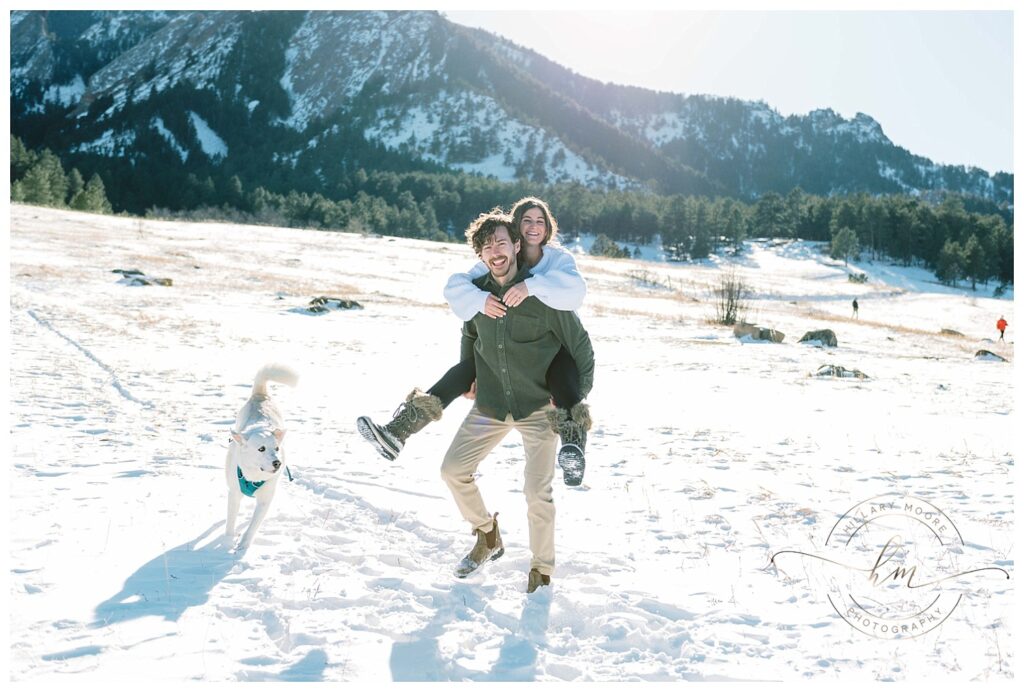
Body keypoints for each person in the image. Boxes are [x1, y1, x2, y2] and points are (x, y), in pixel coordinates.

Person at [357, 197, 592, 486]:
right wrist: (481, 301)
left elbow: (577, 295)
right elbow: (460, 295)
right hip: (508, 356)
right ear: (516, 229)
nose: (533, 226)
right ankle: (398, 431)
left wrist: (530, 286)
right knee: (467, 367)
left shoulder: (557, 260)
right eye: (526, 220)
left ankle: (573, 448)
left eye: (540, 220)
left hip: (555, 350)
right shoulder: (491, 264)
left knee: (562, 376)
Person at [438, 211, 594, 592]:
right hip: (491, 405)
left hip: (539, 408)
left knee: (537, 492)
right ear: (481, 254)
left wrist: (574, 398)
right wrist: (469, 374)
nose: (495, 251)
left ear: (516, 246)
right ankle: (487, 535)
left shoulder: (542, 292)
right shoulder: (477, 292)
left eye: (502, 243)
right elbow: (470, 334)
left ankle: (541, 571)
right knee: (452, 471)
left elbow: (580, 346)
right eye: (487, 246)